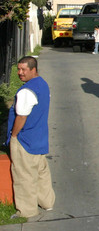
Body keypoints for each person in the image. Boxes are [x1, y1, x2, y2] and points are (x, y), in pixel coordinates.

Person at [5, 56, 55, 220]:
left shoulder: (26, 91)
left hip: (25, 139)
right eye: (18, 69)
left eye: (23, 69)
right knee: (41, 172)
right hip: (40, 137)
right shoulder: (43, 84)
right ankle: (47, 202)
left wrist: (13, 135)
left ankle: (27, 210)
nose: (20, 73)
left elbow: (21, 116)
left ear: (33, 69)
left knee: (24, 176)